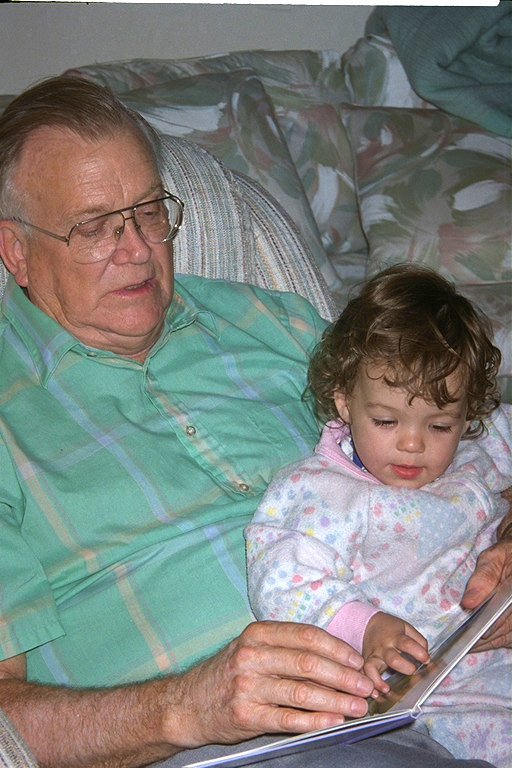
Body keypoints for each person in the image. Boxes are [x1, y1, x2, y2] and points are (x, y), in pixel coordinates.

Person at [0, 75, 509, 768]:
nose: (138, 247)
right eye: (94, 227)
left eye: (149, 210)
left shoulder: (272, 320)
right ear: (16, 251)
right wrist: (185, 708)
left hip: (431, 695)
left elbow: (450, 432)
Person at [246, 265, 512, 766]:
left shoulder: (475, 450)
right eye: (386, 421)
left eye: (440, 425)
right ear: (345, 401)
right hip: (436, 694)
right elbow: (282, 580)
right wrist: (364, 626)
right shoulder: (320, 493)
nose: (412, 444)